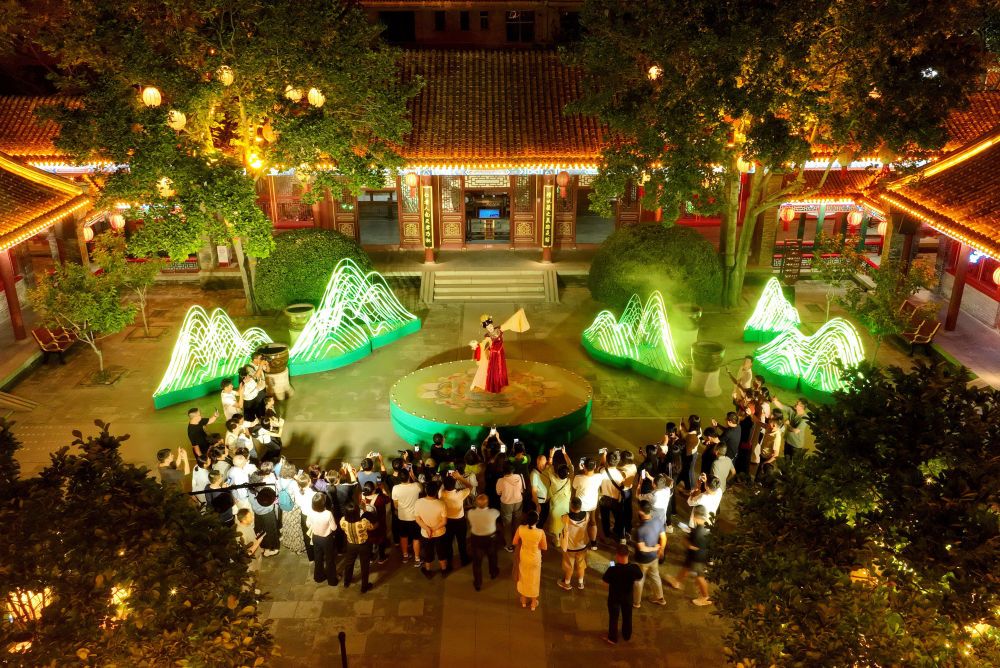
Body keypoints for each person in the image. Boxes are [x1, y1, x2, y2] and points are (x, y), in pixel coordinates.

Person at [666, 506, 712, 606]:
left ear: (695, 516)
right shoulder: (708, 527)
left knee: (700, 577)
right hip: (702, 554)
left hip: (697, 557)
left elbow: (691, 546)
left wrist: (685, 540)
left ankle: (705, 597)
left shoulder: (697, 531)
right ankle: (677, 581)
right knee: (686, 567)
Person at [602, 544, 643, 644]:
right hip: (627, 597)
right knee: (627, 616)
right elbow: (639, 577)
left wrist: (612, 564)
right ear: (628, 554)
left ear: (617, 555)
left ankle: (612, 638)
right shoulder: (634, 568)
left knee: (613, 618)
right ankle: (626, 635)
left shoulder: (612, 568)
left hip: (614, 597)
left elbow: (605, 582)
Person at [632, 500, 667, 607]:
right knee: (655, 577)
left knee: (639, 580)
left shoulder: (639, 529)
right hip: (654, 557)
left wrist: (654, 548)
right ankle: (660, 598)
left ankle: (636, 602)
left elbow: (642, 548)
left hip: (642, 560)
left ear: (641, 512)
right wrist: (661, 550)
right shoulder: (658, 521)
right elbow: (663, 538)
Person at [513, 510, 547, 610]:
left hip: (524, 557)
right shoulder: (540, 532)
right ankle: (533, 603)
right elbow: (544, 547)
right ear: (537, 521)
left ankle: (523, 601)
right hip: (535, 559)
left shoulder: (521, 528)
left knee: (523, 577)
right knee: (534, 580)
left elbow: (514, 542)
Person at [414, 480, 448, 579]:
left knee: (428, 552)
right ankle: (444, 570)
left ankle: (428, 571)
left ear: (426, 490)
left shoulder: (418, 502)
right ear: (436, 491)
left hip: (426, 534)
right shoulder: (441, 504)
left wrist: (428, 529)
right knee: (441, 552)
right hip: (440, 533)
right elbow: (444, 522)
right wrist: (433, 529)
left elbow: (417, 519)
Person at [467, 494, 500, 591]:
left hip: (476, 538)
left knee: (477, 562)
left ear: (476, 503)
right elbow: (498, 514)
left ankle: (478, 583)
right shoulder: (493, 512)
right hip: (490, 538)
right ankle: (493, 573)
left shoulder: (470, 513)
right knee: (492, 557)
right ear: (487, 503)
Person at [440, 470, 472, 567]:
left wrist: (446, 479)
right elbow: (470, 486)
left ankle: (449, 562)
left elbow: (443, 486)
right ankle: (464, 559)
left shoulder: (441, 494)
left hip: (447, 521)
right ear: (455, 484)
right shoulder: (460, 494)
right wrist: (459, 477)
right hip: (460, 521)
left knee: (448, 543)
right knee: (462, 541)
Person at [340, 502, 374, 592]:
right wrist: (365, 511)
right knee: (364, 565)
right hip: (363, 545)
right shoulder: (363, 522)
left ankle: (347, 581)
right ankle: (364, 587)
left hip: (351, 545)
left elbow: (343, 528)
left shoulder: (343, 521)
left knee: (349, 563)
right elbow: (371, 527)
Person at [558, 497, 590, 591]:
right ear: (580, 506)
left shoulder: (566, 517)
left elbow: (562, 519)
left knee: (569, 566)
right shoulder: (586, 515)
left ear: (571, 506)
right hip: (582, 545)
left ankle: (567, 583)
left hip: (570, 547)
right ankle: (580, 583)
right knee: (581, 565)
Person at [307, 492, 338, 586]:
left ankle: (318, 577)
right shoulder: (328, 514)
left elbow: (308, 524)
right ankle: (332, 581)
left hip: (316, 538)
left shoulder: (311, 512)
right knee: (329, 559)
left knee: (318, 558)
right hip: (326, 539)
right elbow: (334, 528)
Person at [572, 457, 603, 550]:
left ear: (584, 466)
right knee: (593, 521)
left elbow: (574, 486)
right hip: (592, 504)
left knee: (580, 523)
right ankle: (593, 543)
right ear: (595, 467)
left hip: (580, 505)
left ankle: (579, 542)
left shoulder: (578, 477)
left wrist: (581, 471)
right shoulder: (599, 477)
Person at [391, 472, 422, 565]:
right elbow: (422, 487)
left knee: (403, 537)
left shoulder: (395, 488)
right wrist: (413, 476)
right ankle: (417, 558)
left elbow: (396, 506)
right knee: (416, 538)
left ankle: (405, 556)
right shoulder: (416, 486)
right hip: (414, 517)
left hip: (402, 517)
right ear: (409, 477)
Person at [598, 450, 627, 542]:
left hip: (604, 499)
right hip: (616, 500)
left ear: (607, 461)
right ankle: (621, 536)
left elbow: (601, 464)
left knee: (605, 518)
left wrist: (604, 455)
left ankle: (607, 535)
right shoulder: (621, 474)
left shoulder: (602, 471)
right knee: (619, 518)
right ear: (618, 461)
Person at [496, 463, 525, 552]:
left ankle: (509, 545)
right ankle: (517, 542)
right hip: (518, 501)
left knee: (507, 524)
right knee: (517, 522)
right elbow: (522, 489)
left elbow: (498, 492)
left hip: (507, 503)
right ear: (513, 470)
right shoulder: (519, 477)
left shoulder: (501, 480)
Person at [249, 481, 280, 557]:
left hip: (257, 512)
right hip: (267, 512)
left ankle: (264, 546)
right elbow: (273, 499)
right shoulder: (266, 488)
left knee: (261, 530)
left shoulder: (250, 489)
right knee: (270, 530)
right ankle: (271, 549)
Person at [361, 481, 390, 564]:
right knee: (381, 539)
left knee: (369, 539)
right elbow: (388, 499)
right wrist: (382, 489)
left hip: (367, 522)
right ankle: (381, 557)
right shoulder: (379, 498)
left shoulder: (362, 496)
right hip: (379, 522)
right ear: (373, 490)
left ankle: (370, 557)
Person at [481, 314, 509, 393]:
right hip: (494, 355)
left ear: (492, 325)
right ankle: (495, 385)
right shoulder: (488, 336)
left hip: (500, 352)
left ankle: (501, 382)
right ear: (486, 329)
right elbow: (485, 344)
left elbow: (507, 326)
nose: (490, 328)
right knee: (495, 370)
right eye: (488, 328)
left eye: (490, 326)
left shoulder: (499, 330)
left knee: (501, 368)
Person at [546, 461, 573, 540]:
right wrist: (564, 454)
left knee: (556, 523)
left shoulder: (553, 479)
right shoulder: (569, 480)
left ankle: (557, 539)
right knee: (563, 522)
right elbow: (571, 466)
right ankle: (563, 537)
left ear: (557, 472)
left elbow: (549, 467)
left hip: (555, 506)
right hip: (565, 506)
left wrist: (551, 455)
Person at [235, 508, 265, 578]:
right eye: (250, 516)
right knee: (251, 578)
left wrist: (256, 538)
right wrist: (258, 542)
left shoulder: (248, 525)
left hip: (257, 556)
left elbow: (251, 540)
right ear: (244, 520)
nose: (253, 517)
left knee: (257, 573)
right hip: (251, 562)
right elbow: (246, 553)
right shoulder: (240, 534)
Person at [529, 453, 551, 528]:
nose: (543, 466)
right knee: (538, 522)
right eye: (542, 464)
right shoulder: (534, 474)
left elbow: (549, 465)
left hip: (546, 501)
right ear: (538, 463)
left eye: (545, 464)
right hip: (539, 502)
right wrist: (537, 504)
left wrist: (551, 455)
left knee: (543, 519)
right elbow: (534, 491)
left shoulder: (545, 471)